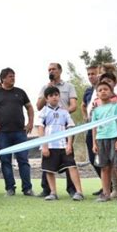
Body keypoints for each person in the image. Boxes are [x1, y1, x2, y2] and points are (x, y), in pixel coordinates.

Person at [0, 68, 35, 197]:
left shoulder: (20, 92)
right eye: (11, 76)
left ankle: (27, 189)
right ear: (3, 78)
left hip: (20, 132)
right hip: (2, 133)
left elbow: (29, 107)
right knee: (5, 161)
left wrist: (30, 123)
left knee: (23, 160)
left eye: (14, 76)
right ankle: (10, 188)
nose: (13, 78)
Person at [36, 63, 78, 197]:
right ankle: (48, 190)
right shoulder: (45, 87)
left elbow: (74, 106)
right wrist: (47, 91)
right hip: (49, 130)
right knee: (48, 157)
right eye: (49, 70)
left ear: (60, 71)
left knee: (68, 158)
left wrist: (62, 114)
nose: (51, 71)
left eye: (53, 69)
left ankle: (72, 189)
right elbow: (39, 106)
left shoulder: (68, 86)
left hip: (65, 126)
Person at [38, 86, 84, 201]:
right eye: (51, 96)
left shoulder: (64, 112)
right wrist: (44, 146)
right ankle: (53, 193)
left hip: (63, 145)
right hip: (50, 146)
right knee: (49, 170)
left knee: (72, 166)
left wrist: (69, 144)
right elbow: (40, 128)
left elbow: (70, 128)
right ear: (47, 98)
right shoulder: (44, 111)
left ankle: (79, 192)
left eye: (56, 95)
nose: (54, 97)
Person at [92, 81, 117, 202]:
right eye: (100, 90)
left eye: (105, 89)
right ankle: (106, 193)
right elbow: (93, 127)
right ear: (97, 94)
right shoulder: (95, 110)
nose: (103, 91)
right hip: (100, 140)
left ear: (111, 92)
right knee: (104, 168)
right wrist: (94, 143)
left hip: (114, 138)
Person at [80, 65, 102, 195]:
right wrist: (86, 117)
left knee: (106, 157)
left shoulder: (105, 89)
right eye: (88, 74)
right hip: (91, 128)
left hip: (105, 129)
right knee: (93, 157)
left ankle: (115, 186)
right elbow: (83, 105)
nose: (90, 76)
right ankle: (106, 185)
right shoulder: (88, 91)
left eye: (93, 73)